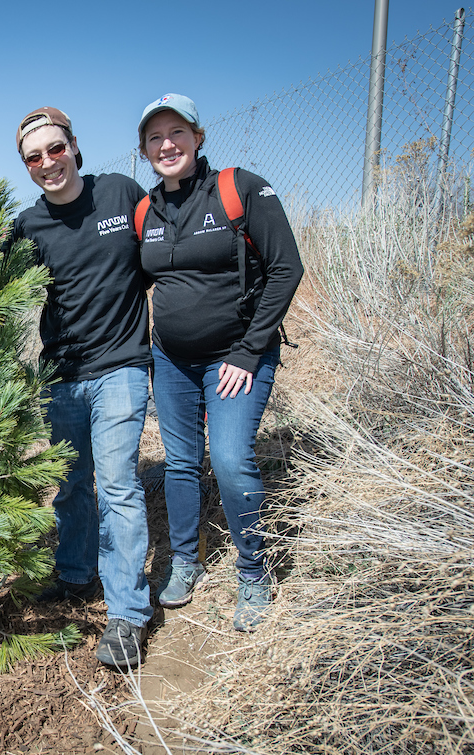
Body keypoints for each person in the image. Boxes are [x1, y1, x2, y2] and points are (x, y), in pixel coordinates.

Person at [134, 93, 303, 631]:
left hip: (237, 359)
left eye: (177, 132)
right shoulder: (145, 211)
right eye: (155, 137)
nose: (167, 144)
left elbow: (286, 269)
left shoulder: (238, 188)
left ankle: (253, 572)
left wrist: (249, 351)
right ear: (144, 150)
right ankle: (186, 560)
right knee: (181, 463)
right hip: (174, 361)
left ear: (198, 137)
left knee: (229, 458)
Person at [8, 107, 154, 669]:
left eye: (56, 148)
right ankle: (74, 573)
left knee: (117, 486)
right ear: (27, 166)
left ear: (75, 147)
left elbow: (165, 256)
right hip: (62, 376)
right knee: (70, 484)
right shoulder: (28, 226)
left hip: (120, 366)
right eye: (35, 157)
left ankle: (126, 614)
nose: (49, 163)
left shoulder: (120, 194)